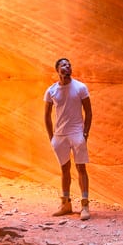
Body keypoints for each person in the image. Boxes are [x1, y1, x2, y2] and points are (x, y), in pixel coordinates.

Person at [44, 57, 92, 220]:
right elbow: (47, 116)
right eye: (63, 65)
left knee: (81, 168)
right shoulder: (51, 91)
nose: (67, 67)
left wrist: (85, 133)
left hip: (77, 133)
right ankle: (66, 204)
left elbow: (88, 112)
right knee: (64, 169)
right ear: (58, 70)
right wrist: (52, 137)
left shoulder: (80, 87)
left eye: (69, 64)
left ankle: (85, 205)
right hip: (60, 135)